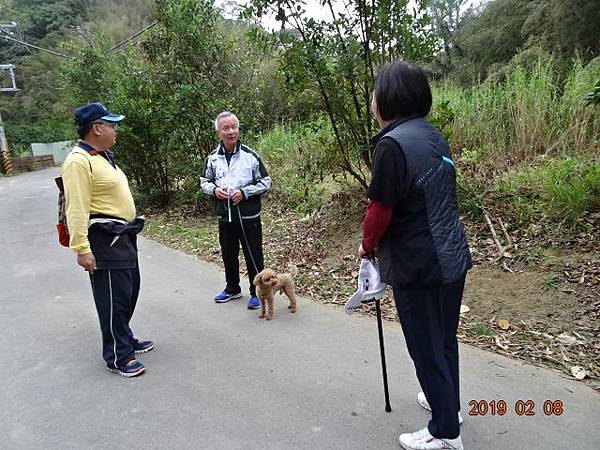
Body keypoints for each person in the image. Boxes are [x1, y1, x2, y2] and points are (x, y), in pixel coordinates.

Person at [359, 61, 472, 450]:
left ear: (388, 98)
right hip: (452, 256)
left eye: (376, 92)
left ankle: (445, 434)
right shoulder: (432, 135)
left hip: (420, 263)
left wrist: (366, 245)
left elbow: (380, 210)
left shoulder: (391, 144)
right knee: (443, 340)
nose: (373, 99)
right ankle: (448, 406)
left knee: (425, 347)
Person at [61, 102, 153, 378]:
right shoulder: (78, 161)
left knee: (127, 292)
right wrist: (81, 249)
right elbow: (75, 208)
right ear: (96, 128)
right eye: (111, 125)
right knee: (112, 298)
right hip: (104, 240)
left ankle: (125, 339)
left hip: (122, 235)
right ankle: (118, 355)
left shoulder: (101, 155)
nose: (116, 131)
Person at [200, 111, 271, 309]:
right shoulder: (213, 158)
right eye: (226, 128)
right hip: (225, 215)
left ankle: (257, 291)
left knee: (253, 253)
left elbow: (265, 181)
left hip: (248, 215)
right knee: (228, 253)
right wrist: (215, 190)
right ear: (218, 132)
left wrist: (245, 192)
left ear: (238, 129)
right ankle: (232, 288)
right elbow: (204, 181)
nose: (231, 131)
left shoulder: (250, 155)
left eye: (234, 127)